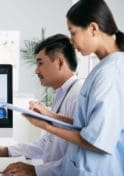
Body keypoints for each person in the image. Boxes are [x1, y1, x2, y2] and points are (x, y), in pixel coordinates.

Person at [22, 0, 124, 175]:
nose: (71, 41)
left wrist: (47, 126)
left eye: (73, 32)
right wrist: (50, 116)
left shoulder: (111, 72)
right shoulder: (103, 67)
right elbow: (87, 125)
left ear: (93, 28)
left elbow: (96, 140)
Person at [0, 34, 83, 176]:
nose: (36, 70)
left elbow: (79, 159)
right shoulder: (62, 94)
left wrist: (36, 170)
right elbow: (46, 144)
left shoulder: (78, 96)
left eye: (40, 63)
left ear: (59, 62)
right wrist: (5, 151)